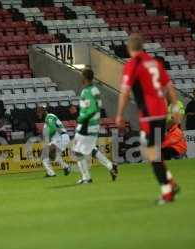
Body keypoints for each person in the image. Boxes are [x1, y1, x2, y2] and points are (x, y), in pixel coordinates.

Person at [115, 33, 180, 205]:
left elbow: (125, 92)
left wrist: (120, 114)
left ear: (129, 48)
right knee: (153, 152)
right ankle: (170, 181)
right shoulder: (155, 62)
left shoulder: (132, 64)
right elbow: (169, 87)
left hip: (149, 115)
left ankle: (167, 191)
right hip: (161, 113)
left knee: (151, 154)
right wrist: (174, 107)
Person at [72, 69, 118, 184]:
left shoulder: (86, 91)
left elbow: (92, 109)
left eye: (81, 76)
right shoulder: (95, 89)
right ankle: (110, 166)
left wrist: (81, 119)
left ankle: (86, 178)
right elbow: (94, 108)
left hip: (87, 125)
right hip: (94, 124)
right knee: (89, 149)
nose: (79, 78)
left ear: (84, 78)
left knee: (78, 152)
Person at [41, 107, 71, 177]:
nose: (38, 115)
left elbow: (53, 128)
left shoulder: (49, 116)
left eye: (39, 112)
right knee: (53, 156)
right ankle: (65, 167)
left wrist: (48, 137)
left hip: (61, 137)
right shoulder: (47, 120)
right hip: (58, 139)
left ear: (44, 112)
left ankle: (51, 172)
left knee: (45, 153)